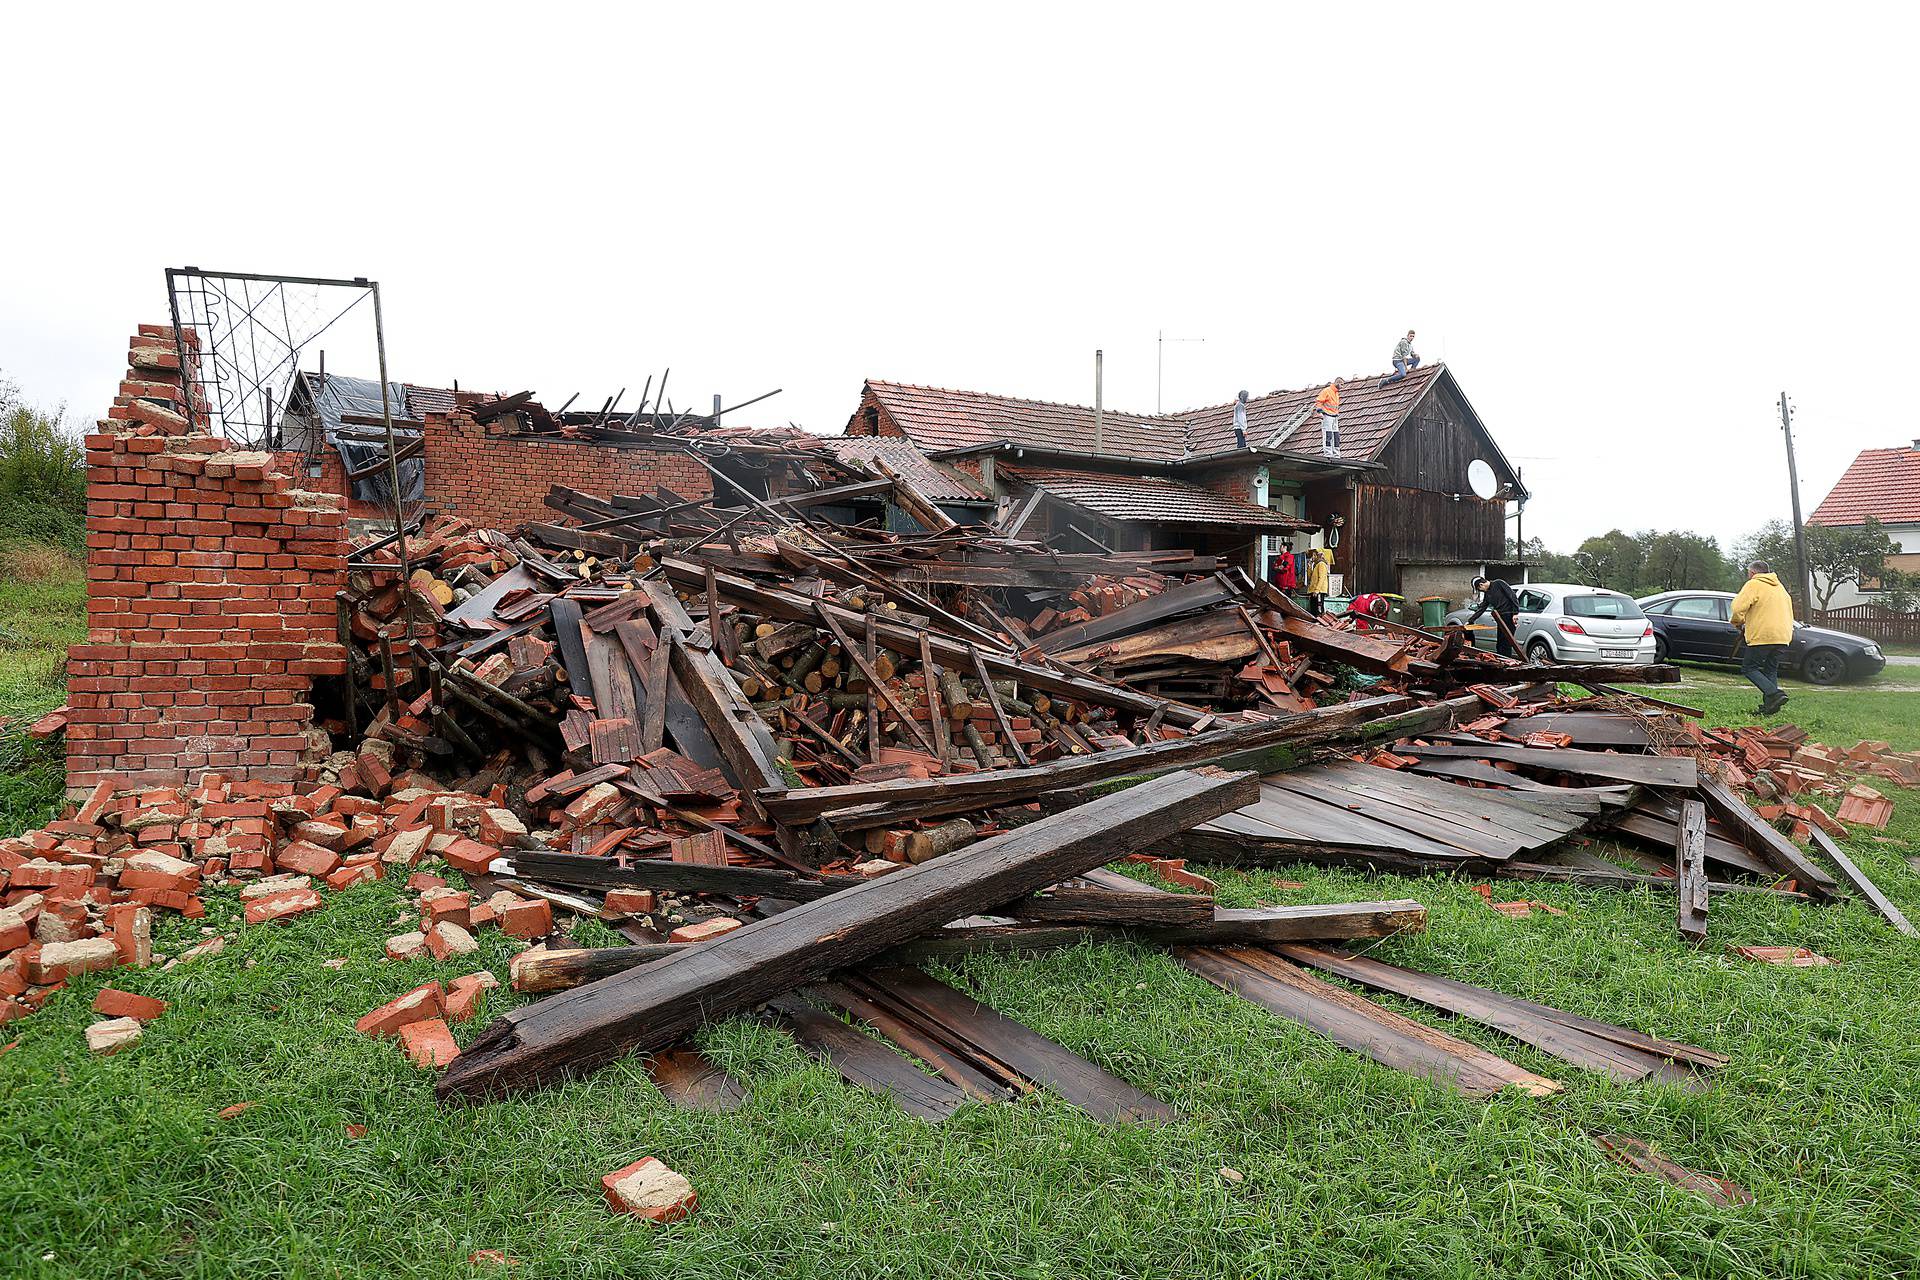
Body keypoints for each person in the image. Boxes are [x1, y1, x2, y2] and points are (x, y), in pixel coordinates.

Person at [1730, 559, 1794, 714]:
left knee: (1749, 668)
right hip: (1783, 636)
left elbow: (1738, 607)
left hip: (1763, 635)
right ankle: (1770, 707)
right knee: (1770, 670)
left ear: (1752, 573)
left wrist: (1737, 622)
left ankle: (1775, 694)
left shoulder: (1753, 584)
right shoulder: (1780, 587)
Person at [1466, 575, 1520, 657]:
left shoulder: (1499, 583)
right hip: (1499, 617)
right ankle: (1500, 661)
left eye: (1480, 589)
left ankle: (1507, 661)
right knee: (1500, 642)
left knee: (1507, 641)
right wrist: (1470, 620)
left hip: (1509, 615)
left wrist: (1515, 613)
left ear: (1481, 585)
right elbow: (1482, 608)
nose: (1481, 591)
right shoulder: (1487, 594)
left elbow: (1512, 596)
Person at [1316, 379, 1342, 457]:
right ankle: (1328, 453)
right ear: (1337, 383)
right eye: (1342, 384)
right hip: (1327, 415)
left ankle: (1336, 454)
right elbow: (1319, 401)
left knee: (1335, 435)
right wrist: (1319, 412)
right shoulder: (1327, 391)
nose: (1342, 387)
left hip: (1334, 416)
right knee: (1328, 434)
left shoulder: (1336, 393)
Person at [1304, 547, 1333, 616]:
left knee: (1318, 611)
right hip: (1314, 590)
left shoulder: (1321, 564)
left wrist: (1317, 590)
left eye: (1314, 555)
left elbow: (1321, 578)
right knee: (1313, 610)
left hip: (1318, 591)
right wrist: (1309, 567)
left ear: (1318, 556)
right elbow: (1309, 577)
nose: (1312, 557)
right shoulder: (1316, 565)